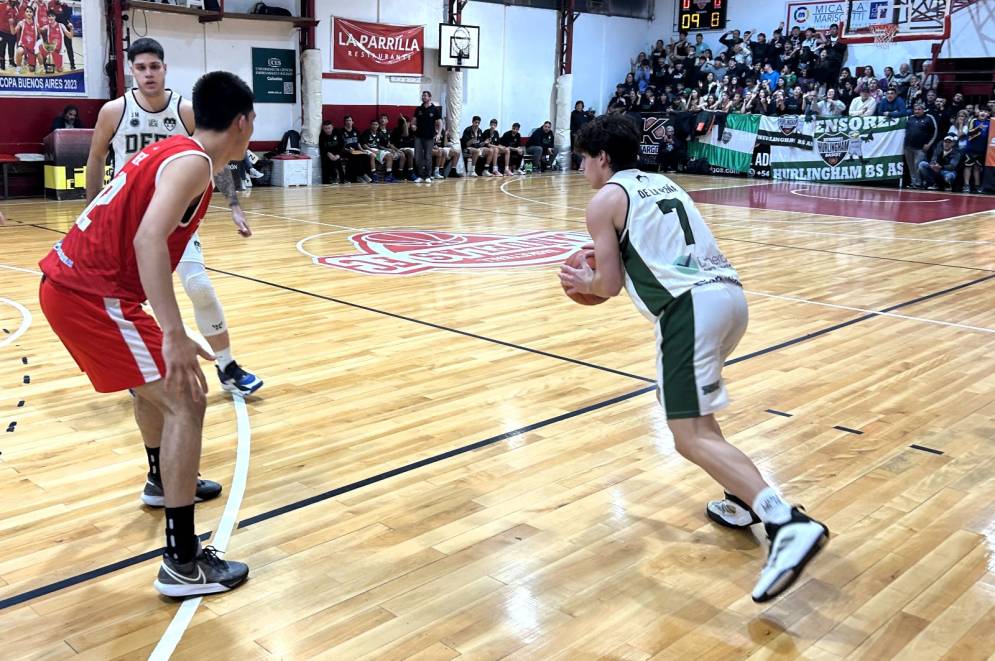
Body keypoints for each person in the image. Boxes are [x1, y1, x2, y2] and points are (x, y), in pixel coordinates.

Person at [560, 113, 829, 603]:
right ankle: (741, 499)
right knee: (700, 423)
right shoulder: (664, 183)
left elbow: (610, 285)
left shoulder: (604, 200)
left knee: (688, 436)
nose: (582, 171)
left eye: (583, 160)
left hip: (687, 309)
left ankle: (784, 520)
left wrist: (584, 283)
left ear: (602, 158)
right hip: (730, 297)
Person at [38, 70, 255, 597]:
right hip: (91, 295)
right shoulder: (194, 165)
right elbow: (147, 240)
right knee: (188, 398)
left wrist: (163, 327)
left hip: (77, 286)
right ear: (244, 123)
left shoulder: (175, 151)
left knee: (154, 386)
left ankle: (162, 480)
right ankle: (182, 562)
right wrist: (174, 333)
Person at [85, 38, 263, 399]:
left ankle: (226, 364)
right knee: (134, 298)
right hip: (130, 218)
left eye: (155, 66)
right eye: (141, 67)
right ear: (131, 71)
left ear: (165, 68)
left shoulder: (186, 111)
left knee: (198, 286)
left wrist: (233, 205)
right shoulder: (114, 111)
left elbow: (218, 154)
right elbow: (95, 158)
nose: (148, 73)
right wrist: (92, 209)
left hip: (178, 218)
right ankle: (143, 368)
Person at [905, 103, 937, 189]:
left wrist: (929, 144)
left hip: (921, 148)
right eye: (915, 109)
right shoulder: (910, 118)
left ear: (923, 110)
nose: (917, 111)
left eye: (919, 109)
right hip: (908, 147)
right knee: (911, 167)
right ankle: (914, 183)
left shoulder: (929, 118)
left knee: (917, 165)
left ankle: (920, 183)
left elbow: (934, 132)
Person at [413, 90, 441, 184]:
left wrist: (439, 134)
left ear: (429, 97)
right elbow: (414, 121)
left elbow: (440, 122)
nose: (423, 97)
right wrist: (413, 125)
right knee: (417, 157)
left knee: (428, 157)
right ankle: (421, 175)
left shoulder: (434, 109)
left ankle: (428, 176)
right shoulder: (418, 109)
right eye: (423, 95)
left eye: (425, 96)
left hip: (429, 137)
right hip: (418, 136)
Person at [963, 109, 990, 193]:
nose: (983, 113)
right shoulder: (973, 120)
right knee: (968, 166)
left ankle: (977, 186)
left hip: (982, 149)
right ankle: (966, 185)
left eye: (986, 112)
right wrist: (978, 128)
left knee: (977, 167)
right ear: (978, 113)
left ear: (988, 114)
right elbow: (970, 131)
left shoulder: (990, 122)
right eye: (982, 111)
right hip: (971, 148)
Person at [318, 120, 345, 184]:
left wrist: (338, 154)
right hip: (327, 153)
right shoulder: (321, 135)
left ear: (332, 127)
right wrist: (328, 153)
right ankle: (328, 180)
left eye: (329, 128)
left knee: (337, 161)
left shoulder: (337, 132)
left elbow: (342, 145)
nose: (327, 130)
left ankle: (341, 180)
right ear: (323, 128)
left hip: (337, 152)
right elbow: (321, 147)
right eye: (325, 128)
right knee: (326, 161)